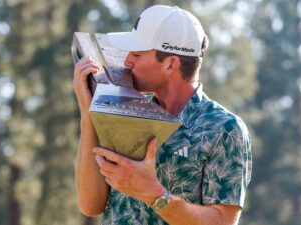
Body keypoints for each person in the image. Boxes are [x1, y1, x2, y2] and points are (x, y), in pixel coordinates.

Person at [73, 4, 252, 225]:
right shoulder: (123, 111)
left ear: (170, 64)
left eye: (137, 54)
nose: (128, 61)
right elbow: (90, 205)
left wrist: (153, 194)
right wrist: (88, 110)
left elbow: (223, 222)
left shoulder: (225, 128)